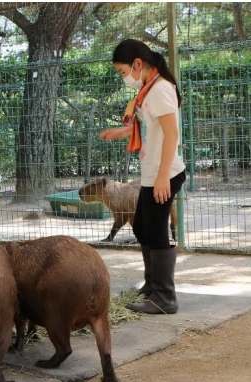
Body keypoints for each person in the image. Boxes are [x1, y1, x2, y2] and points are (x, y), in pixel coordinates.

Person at [99, 39, 186, 314]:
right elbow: (149, 126)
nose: (124, 78)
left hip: (165, 173)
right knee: (141, 228)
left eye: (123, 72)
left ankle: (165, 298)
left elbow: (172, 134)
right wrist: (120, 132)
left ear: (138, 63)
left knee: (157, 231)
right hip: (152, 173)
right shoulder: (147, 91)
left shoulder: (161, 89)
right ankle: (151, 287)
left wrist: (162, 177)